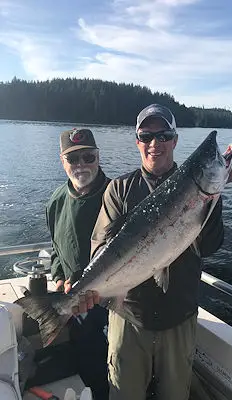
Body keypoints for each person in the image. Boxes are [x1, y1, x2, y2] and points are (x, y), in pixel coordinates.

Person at [89, 104, 232, 400]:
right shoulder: (118, 190)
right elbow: (99, 250)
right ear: (137, 141)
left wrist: (215, 194)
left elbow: (209, 245)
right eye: (146, 136)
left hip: (179, 317)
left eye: (163, 135)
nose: (154, 144)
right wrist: (84, 291)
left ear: (175, 140)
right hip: (129, 318)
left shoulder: (196, 187)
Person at [46, 128, 110, 400]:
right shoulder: (56, 200)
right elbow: (56, 249)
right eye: (73, 159)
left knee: (118, 371)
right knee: (89, 365)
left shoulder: (116, 195)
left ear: (98, 157)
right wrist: (59, 276)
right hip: (75, 303)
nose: (81, 165)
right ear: (62, 162)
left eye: (88, 157)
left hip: (114, 303)